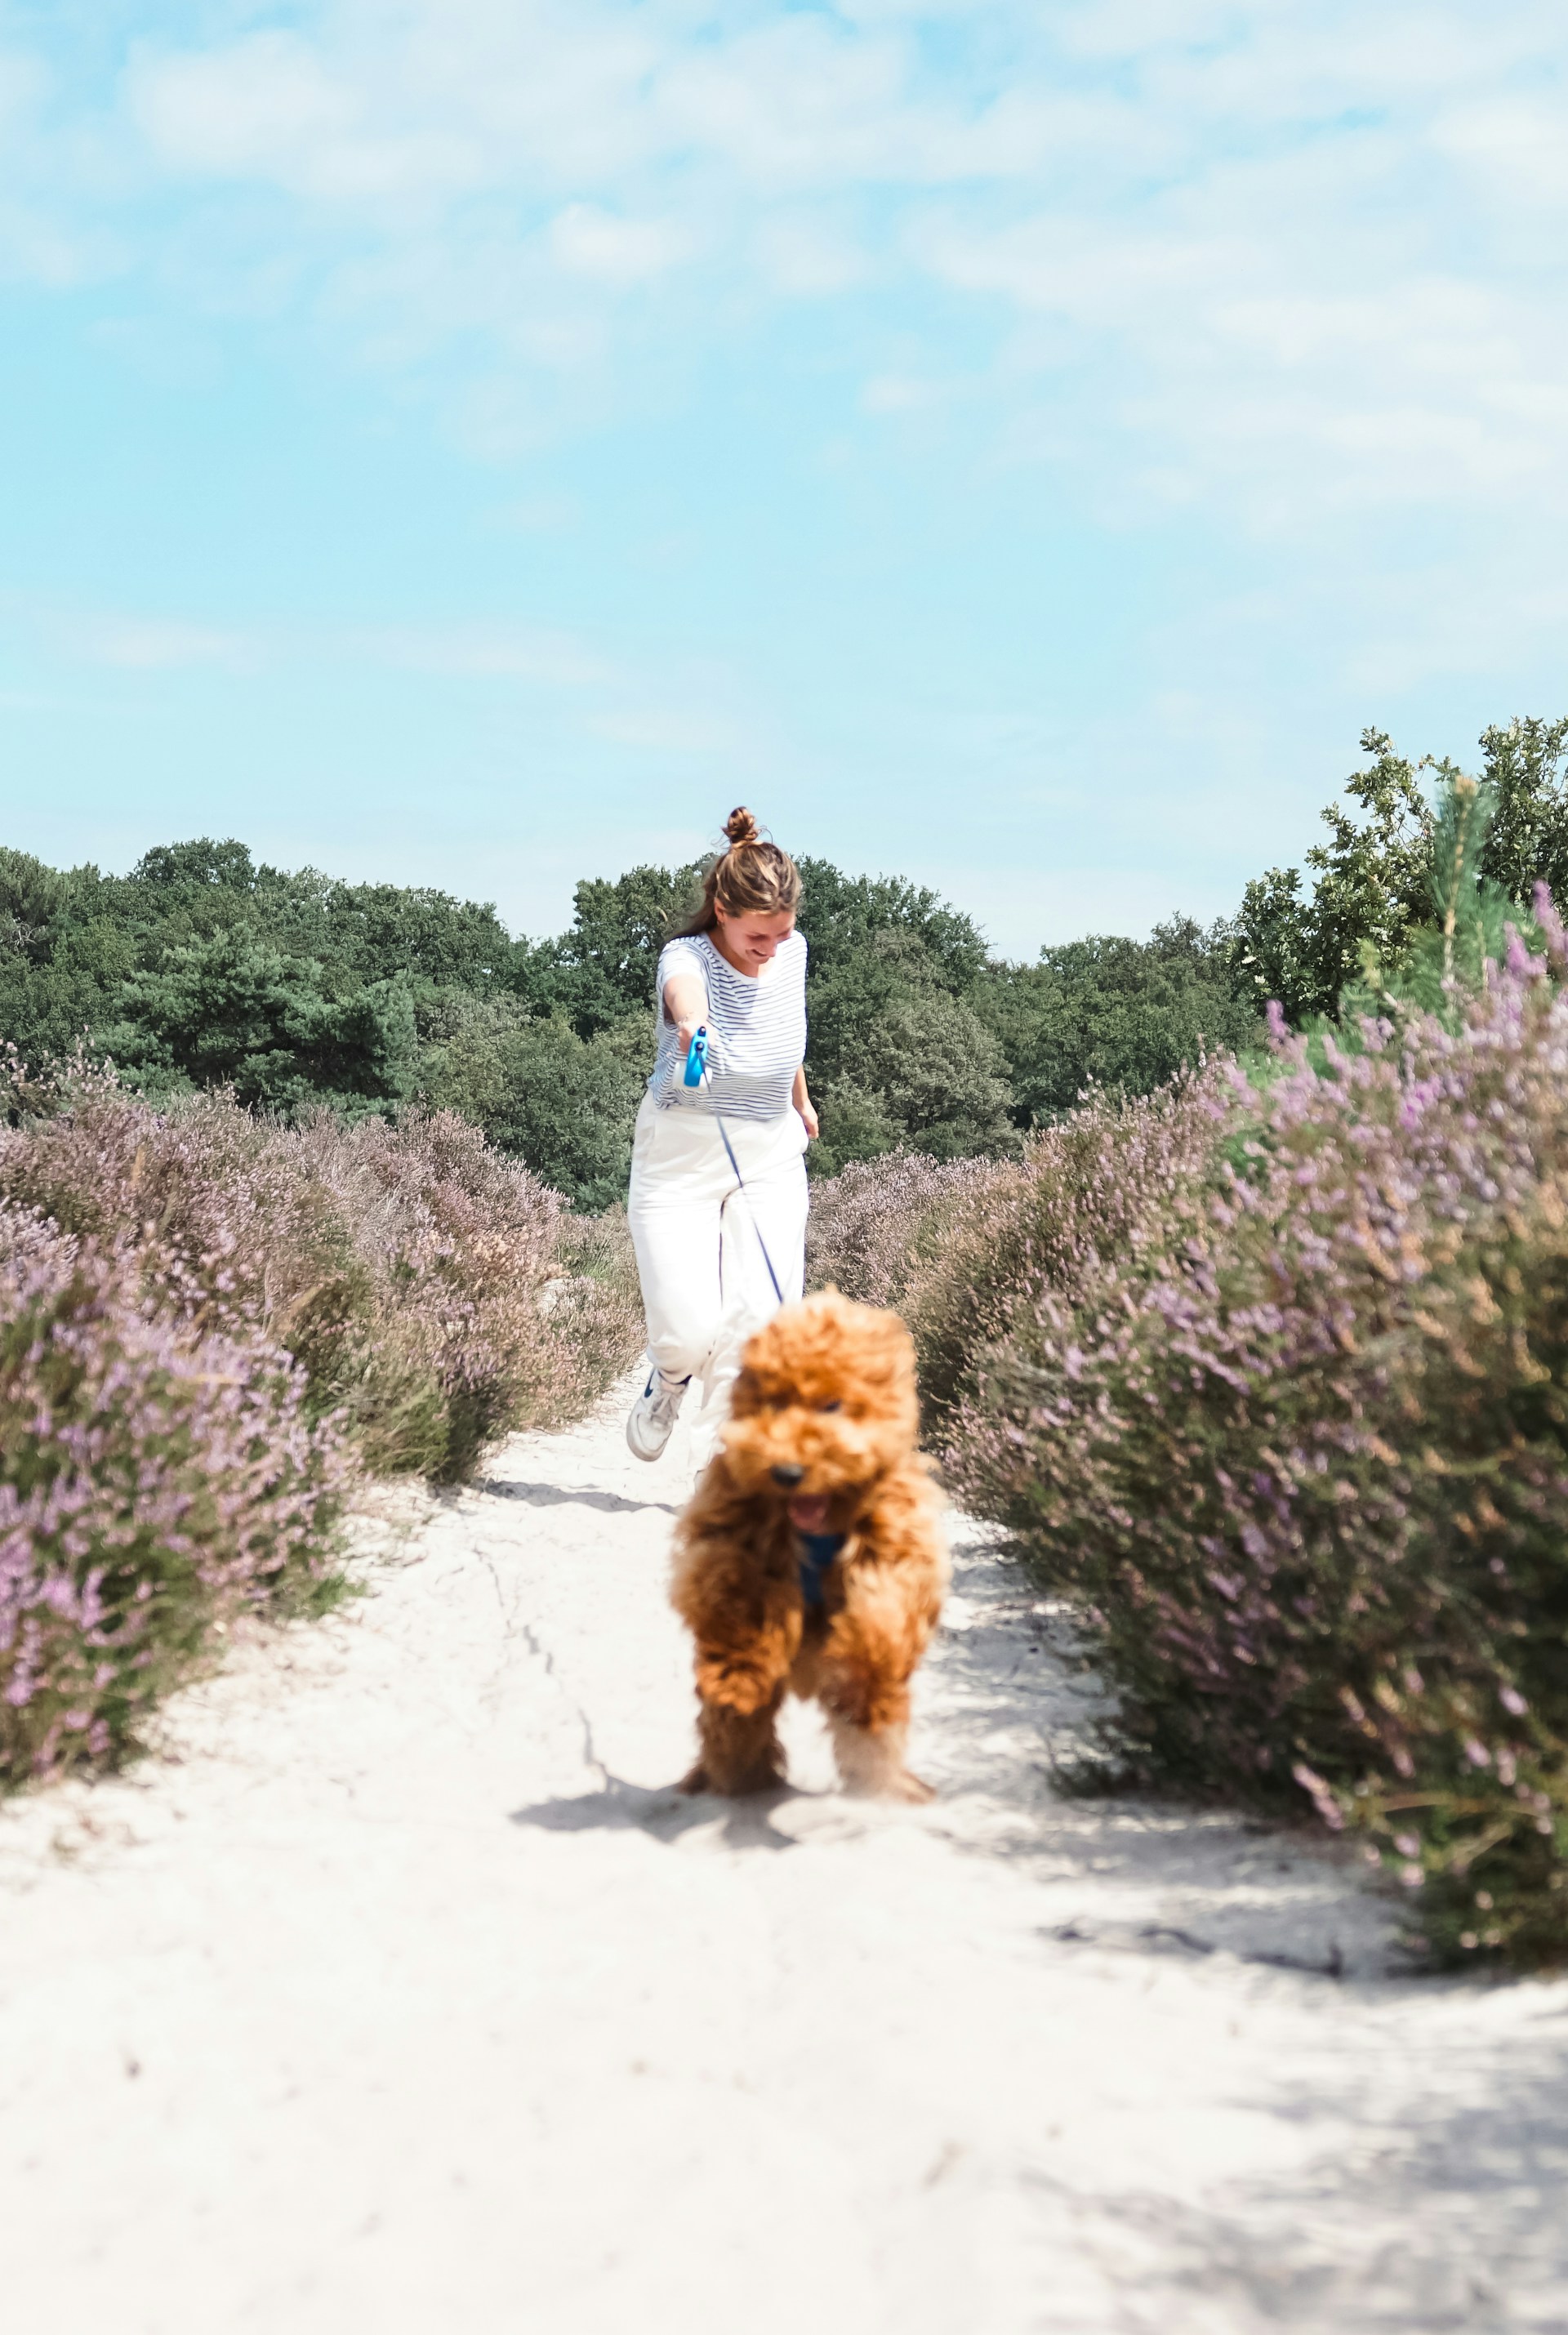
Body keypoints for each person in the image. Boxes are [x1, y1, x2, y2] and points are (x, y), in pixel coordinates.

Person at [625, 807, 817, 1468]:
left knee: (760, 1322)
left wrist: (802, 1099)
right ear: (722, 911)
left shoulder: (792, 952)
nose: (770, 948)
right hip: (681, 1151)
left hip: (769, 1150)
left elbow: (784, 1026)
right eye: (756, 937)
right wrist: (693, 1025)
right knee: (686, 1330)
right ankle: (670, 1378)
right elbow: (686, 995)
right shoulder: (686, 956)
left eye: (781, 933)